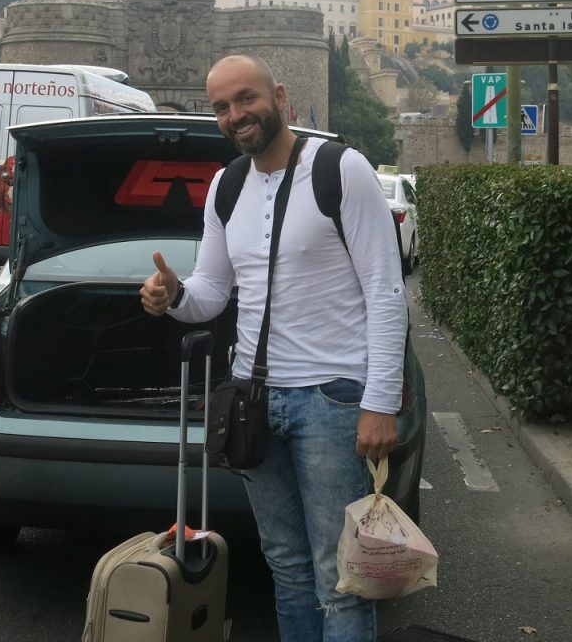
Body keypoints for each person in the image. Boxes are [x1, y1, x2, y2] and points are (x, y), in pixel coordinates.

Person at [140, 54, 408, 642]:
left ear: (278, 95)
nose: (236, 115)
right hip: (254, 403)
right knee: (286, 567)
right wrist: (173, 294)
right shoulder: (226, 184)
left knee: (339, 575)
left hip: (333, 400)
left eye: (246, 99)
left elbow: (387, 291)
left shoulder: (344, 169)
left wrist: (381, 401)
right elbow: (212, 293)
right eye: (221, 107)